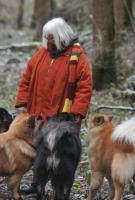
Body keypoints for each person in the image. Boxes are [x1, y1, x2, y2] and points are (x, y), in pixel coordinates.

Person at [14, 17, 93, 193]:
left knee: (64, 157)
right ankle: (37, 187)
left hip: (62, 118)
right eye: (46, 36)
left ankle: (62, 191)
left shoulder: (78, 57)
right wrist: (22, 101)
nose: (48, 40)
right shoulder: (41, 54)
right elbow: (26, 78)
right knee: (41, 154)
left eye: (51, 37)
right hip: (39, 112)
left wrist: (77, 112)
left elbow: (85, 87)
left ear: (60, 35)